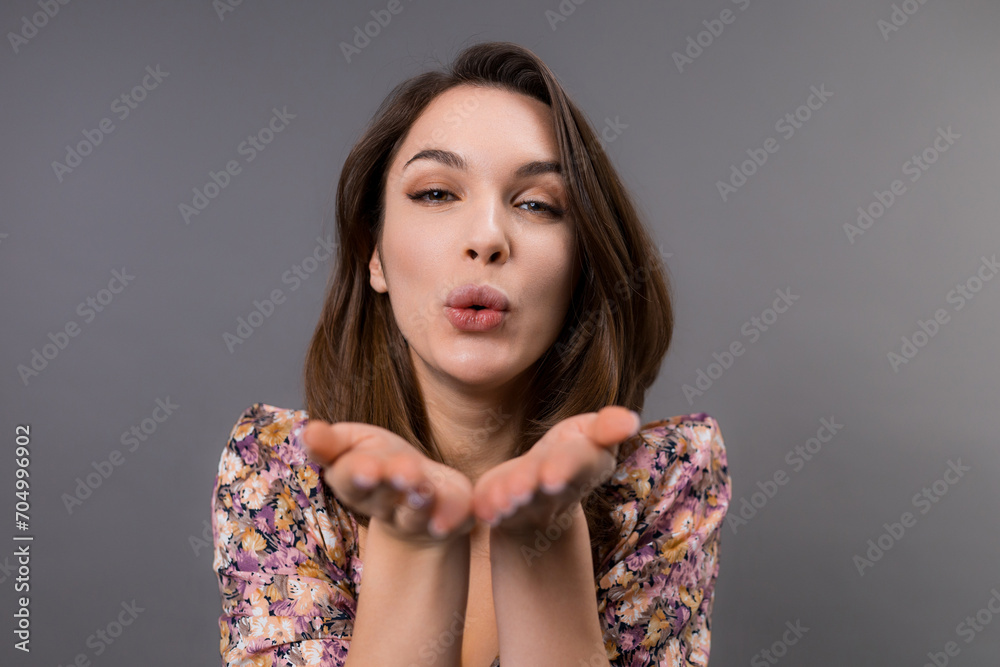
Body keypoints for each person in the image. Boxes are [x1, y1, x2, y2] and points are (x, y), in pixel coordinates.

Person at [210, 40, 731, 667]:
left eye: (537, 204)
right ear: (372, 253)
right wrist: (414, 550)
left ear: (582, 269)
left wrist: (543, 546)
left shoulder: (661, 484)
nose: (486, 238)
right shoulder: (279, 473)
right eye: (435, 193)